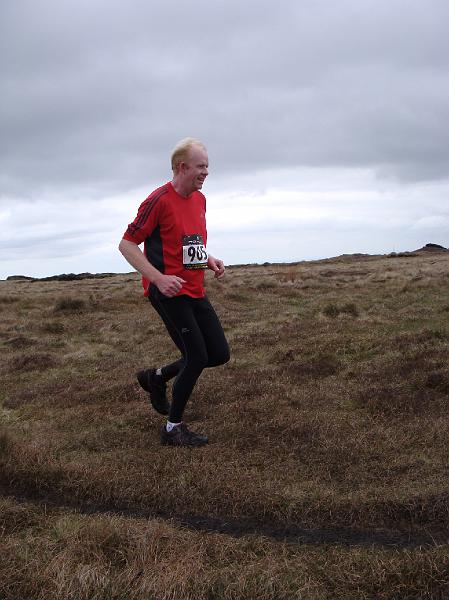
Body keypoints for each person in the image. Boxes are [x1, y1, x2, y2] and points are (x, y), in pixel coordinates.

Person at [118, 138, 230, 447]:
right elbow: (127, 244)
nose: (206, 172)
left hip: (194, 289)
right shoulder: (158, 200)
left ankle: (156, 378)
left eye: (207, 165)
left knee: (218, 354)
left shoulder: (199, 199)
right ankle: (173, 429)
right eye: (201, 166)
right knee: (195, 357)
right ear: (182, 167)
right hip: (167, 293)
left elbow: (188, 243)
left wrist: (208, 260)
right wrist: (158, 279)